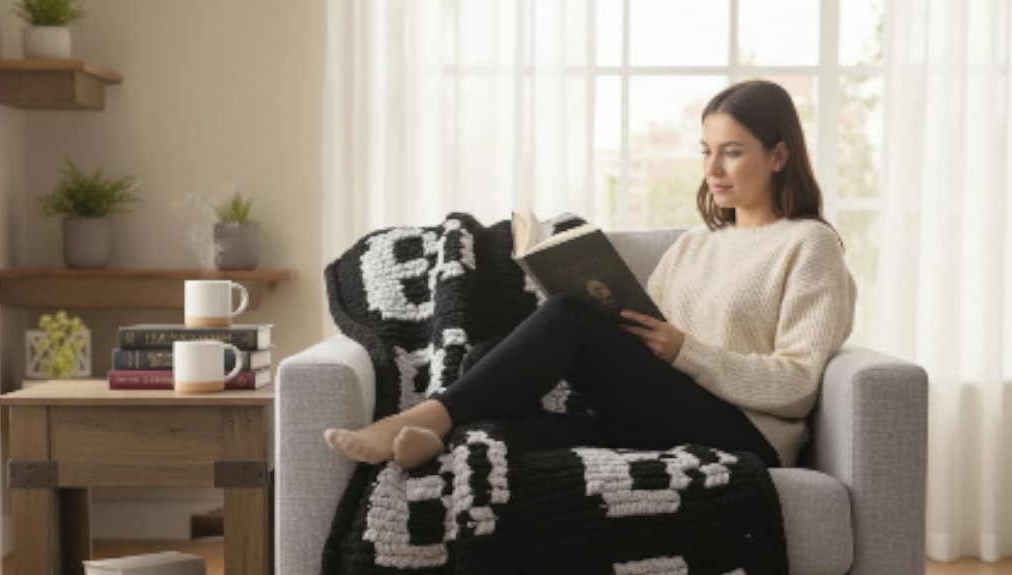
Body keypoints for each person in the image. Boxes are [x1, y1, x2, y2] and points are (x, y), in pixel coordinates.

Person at [324, 79, 858, 472]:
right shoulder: (695, 244)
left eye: (732, 153)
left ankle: (429, 415)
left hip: (746, 432)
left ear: (779, 154)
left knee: (567, 320)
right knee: (503, 390)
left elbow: (798, 385)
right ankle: (442, 436)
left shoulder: (809, 245)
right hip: (672, 410)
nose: (712, 170)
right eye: (706, 152)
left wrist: (686, 352)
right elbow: (646, 339)